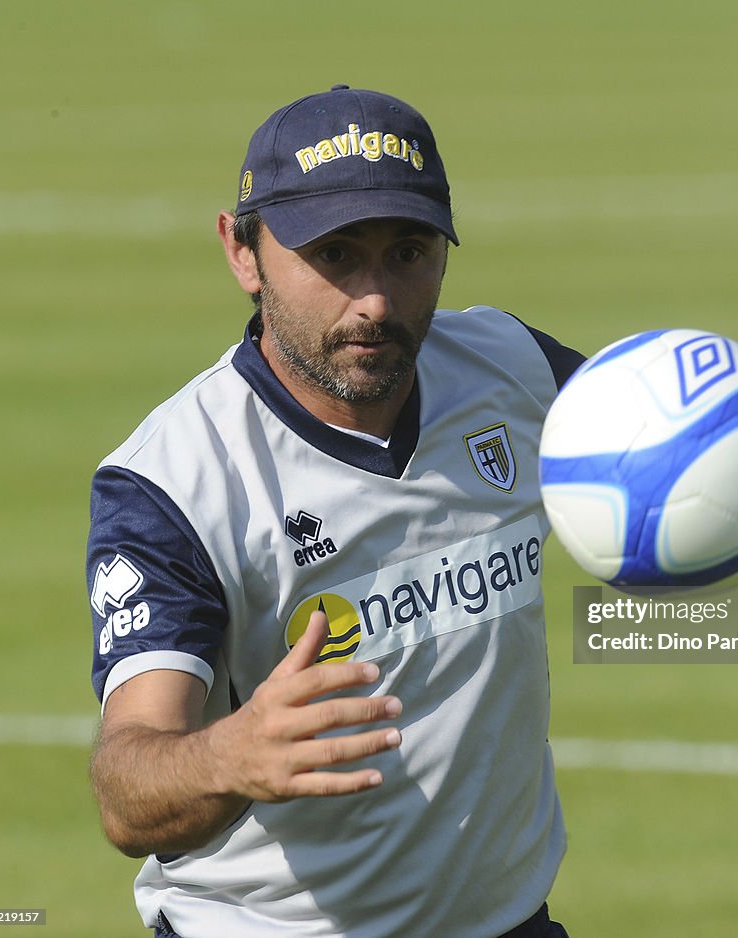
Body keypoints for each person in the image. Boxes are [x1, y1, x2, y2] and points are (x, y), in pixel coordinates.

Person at [86, 85, 584, 938]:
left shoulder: (510, 366)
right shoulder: (178, 480)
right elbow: (127, 790)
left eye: (409, 252)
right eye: (336, 255)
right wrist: (230, 756)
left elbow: (680, 445)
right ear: (243, 252)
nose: (377, 301)